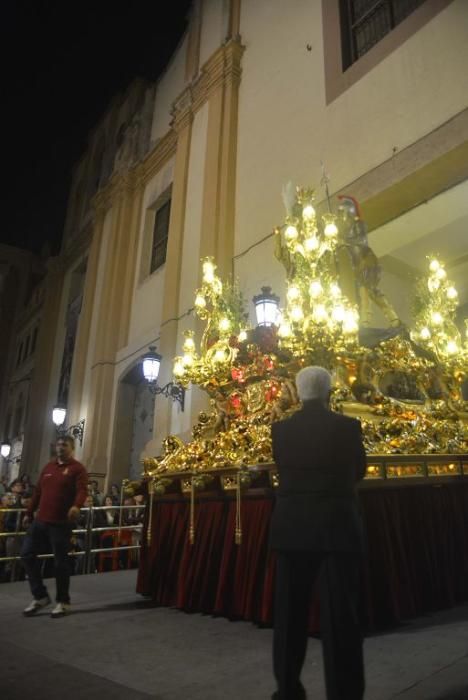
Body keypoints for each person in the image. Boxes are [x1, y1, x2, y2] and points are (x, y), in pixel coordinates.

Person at [270, 366, 367, 700]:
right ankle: (344, 693)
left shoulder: (279, 430)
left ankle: (287, 689)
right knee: (342, 619)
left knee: (288, 617)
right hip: (337, 526)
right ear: (329, 393)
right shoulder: (348, 427)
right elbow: (360, 470)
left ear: (297, 393)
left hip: (292, 528)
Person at [21, 435, 88, 618]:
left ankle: (63, 601)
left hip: (60, 523)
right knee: (26, 554)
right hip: (41, 521)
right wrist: (29, 513)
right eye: (58, 445)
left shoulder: (77, 469)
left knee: (60, 563)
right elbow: (38, 492)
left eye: (64, 445)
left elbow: (83, 490)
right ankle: (40, 596)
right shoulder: (48, 467)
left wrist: (76, 506)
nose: (60, 448)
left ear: (72, 448)